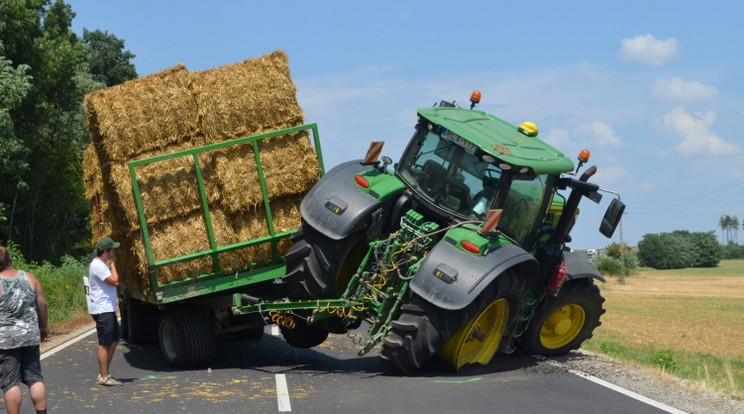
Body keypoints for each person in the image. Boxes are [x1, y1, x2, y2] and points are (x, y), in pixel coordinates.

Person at [0, 246, 48, 414]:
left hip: (5, 340)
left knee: (10, 382)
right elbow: (42, 304)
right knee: (35, 378)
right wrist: (43, 327)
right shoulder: (29, 277)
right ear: (11, 260)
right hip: (29, 336)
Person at [88, 237, 122, 386]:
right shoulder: (98, 265)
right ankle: (104, 377)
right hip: (102, 309)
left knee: (114, 340)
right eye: (112, 250)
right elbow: (115, 281)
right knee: (104, 343)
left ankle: (105, 373)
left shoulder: (100, 264)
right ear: (106, 252)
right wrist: (113, 263)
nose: (113, 252)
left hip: (108, 308)